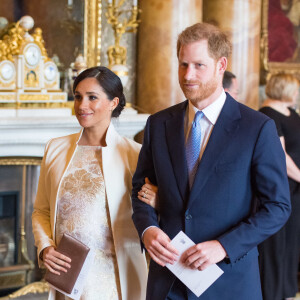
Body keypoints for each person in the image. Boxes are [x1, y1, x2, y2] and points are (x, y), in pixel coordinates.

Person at [131, 22, 291, 300]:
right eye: (182, 65)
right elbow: (140, 188)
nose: (187, 75)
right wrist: (147, 229)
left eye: (198, 65)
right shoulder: (158, 124)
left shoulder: (257, 128)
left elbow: (277, 206)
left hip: (228, 282)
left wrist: (223, 246)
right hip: (167, 281)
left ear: (221, 65)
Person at [32, 66, 147, 300]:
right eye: (78, 96)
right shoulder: (55, 148)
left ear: (113, 102)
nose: (82, 105)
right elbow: (41, 211)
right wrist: (45, 248)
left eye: (92, 97)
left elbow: (151, 212)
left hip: (114, 279)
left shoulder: (135, 155)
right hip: (67, 277)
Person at [259, 73, 300, 300]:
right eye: (294, 89)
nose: (296, 94)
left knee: (292, 243)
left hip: (297, 190)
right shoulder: (268, 115)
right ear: (284, 89)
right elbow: (280, 157)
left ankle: (287, 291)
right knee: (278, 244)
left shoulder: (291, 112)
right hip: (284, 188)